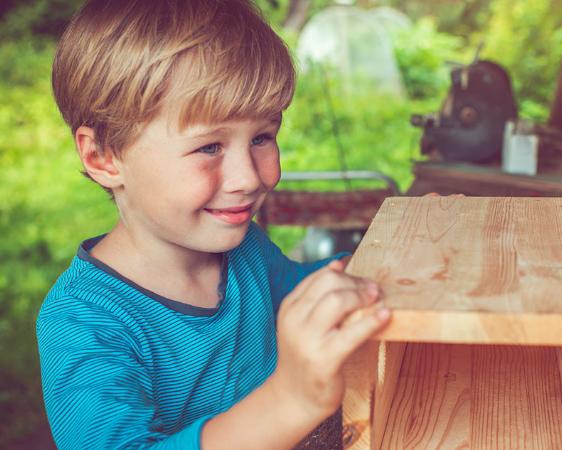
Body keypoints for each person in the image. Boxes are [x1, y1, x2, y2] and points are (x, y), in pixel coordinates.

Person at [36, 0, 391, 448]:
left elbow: (305, 296)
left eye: (262, 137)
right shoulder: (85, 321)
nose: (250, 178)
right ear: (102, 156)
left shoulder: (243, 249)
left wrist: (396, 258)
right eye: (209, 148)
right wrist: (289, 402)